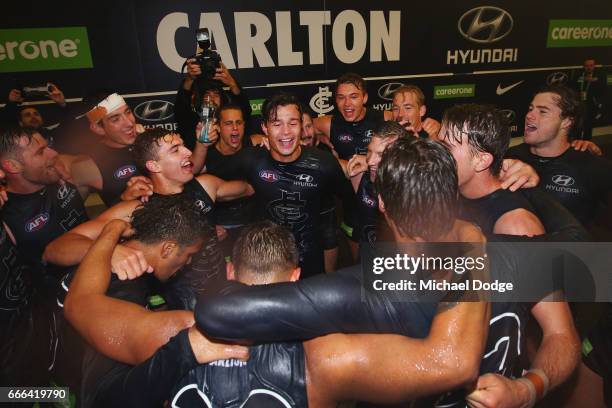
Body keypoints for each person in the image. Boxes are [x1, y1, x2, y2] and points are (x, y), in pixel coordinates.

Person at [198, 139, 580, 408]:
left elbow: (562, 335)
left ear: (381, 203)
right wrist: (534, 387)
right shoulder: (370, 284)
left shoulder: (359, 286)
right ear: (453, 195)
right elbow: (566, 329)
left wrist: (526, 391)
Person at [62, 194, 248, 407]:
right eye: (188, 254)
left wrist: (111, 234)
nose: (188, 262)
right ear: (168, 248)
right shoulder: (127, 283)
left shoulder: (104, 254)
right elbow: (79, 304)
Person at [45, 127, 254, 309]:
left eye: (183, 145)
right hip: (174, 300)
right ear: (154, 165)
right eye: (176, 149)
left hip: (219, 285)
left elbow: (251, 188)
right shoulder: (138, 207)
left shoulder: (206, 186)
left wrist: (267, 152)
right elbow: (55, 249)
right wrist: (109, 249)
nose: (188, 152)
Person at [227, 92, 349, 278]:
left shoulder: (323, 163)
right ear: (265, 128)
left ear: (301, 126)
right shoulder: (251, 160)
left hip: (311, 259)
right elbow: (209, 181)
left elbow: (348, 198)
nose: (286, 132)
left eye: (293, 123)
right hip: (267, 262)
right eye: (277, 124)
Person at [506, 84, 612, 228]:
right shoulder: (509, 157)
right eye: (531, 109)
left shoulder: (593, 166)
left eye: (543, 111)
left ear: (567, 122)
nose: (529, 115)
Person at [438, 104, 545, 237]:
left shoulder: (514, 225)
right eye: (438, 144)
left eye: (446, 148)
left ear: (481, 161)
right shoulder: (449, 190)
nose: (436, 153)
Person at [65, 92, 155, 206]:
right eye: (115, 119)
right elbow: (73, 214)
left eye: (128, 112)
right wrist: (124, 200)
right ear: (98, 129)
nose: (129, 123)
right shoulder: (89, 164)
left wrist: (151, 141)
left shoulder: (150, 138)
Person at [175, 59, 252, 150]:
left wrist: (232, 83)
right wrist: (189, 79)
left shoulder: (228, 120)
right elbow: (180, 109)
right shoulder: (191, 122)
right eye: (207, 94)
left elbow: (245, 111)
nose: (211, 99)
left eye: (216, 94)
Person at [572, 58, 606, 140]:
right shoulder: (578, 75)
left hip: (591, 104)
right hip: (579, 104)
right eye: (587, 66)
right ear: (584, 66)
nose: (589, 67)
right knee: (578, 125)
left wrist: (595, 81)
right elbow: (573, 87)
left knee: (588, 126)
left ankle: (587, 143)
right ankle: (577, 142)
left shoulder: (599, 76)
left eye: (591, 65)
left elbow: (603, 91)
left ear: (594, 66)